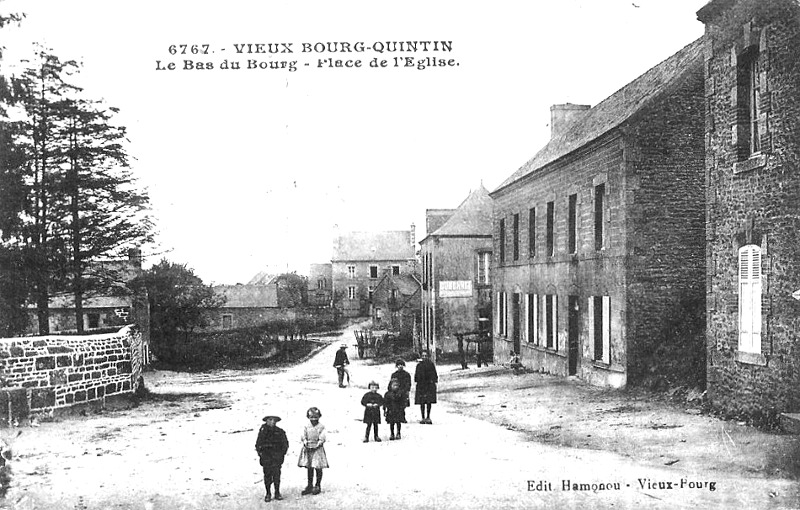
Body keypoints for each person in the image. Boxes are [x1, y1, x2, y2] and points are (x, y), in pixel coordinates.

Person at [255, 414, 289, 502]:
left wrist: (281, 454)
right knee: (267, 475)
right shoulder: (262, 432)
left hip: (276, 457)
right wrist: (261, 454)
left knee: (277, 475)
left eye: (274, 420)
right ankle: (268, 493)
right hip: (266, 457)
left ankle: (277, 492)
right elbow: (258, 444)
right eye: (270, 420)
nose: (272, 422)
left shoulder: (280, 432)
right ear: (266, 421)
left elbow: (285, 444)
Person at [297, 407, 329, 495]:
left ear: (319, 417)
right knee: (309, 467)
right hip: (308, 448)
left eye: (316, 417)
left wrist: (318, 444)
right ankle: (309, 485)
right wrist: (305, 442)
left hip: (317, 448)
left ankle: (318, 484)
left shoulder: (321, 427)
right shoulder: (306, 426)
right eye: (311, 417)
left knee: (318, 466)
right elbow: (303, 436)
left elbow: (322, 437)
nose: (314, 419)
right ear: (308, 417)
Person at [414, 350, 438, 424]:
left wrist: (433, 382)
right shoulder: (419, 365)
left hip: (429, 386)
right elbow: (416, 376)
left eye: (425, 356)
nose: (424, 357)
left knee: (428, 401)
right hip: (421, 386)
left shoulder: (431, 365)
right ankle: (423, 417)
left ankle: (428, 416)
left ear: (428, 356)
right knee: (422, 402)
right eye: (423, 356)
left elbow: (434, 375)